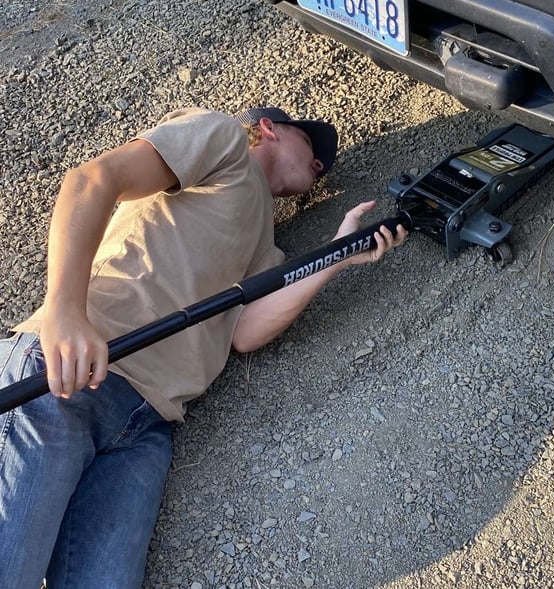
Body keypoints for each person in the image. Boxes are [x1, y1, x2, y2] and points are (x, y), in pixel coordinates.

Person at [0, 106, 407, 589]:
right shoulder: (222, 141)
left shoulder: (268, 252)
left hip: (144, 430)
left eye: (325, 165)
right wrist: (64, 312)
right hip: (65, 378)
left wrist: (338, 253)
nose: (322, 163)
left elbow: (244, 333)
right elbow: (93, 179)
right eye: (311, 144)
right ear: (268, 129)